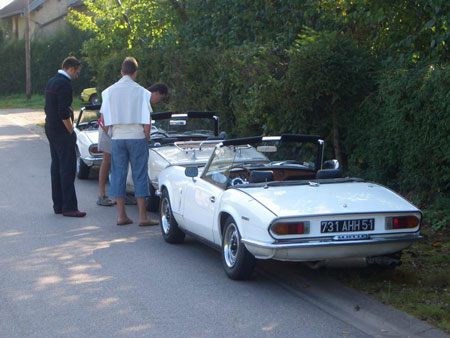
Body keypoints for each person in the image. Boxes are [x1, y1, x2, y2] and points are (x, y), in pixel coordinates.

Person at [100, 57, 167, 226]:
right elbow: (147, 120)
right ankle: (143, 217)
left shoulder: (108, 92)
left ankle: (121, 215)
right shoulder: (143, 92)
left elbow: (104, 120)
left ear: (122, 72)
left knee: (118, 174)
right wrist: (146, 135)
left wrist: (113, 132)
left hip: (117, 138)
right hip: (137, 137)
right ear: (135, 73)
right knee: (139, 174)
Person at [96, 82, 168, 207]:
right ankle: (102, 194)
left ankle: (124, 195)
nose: (158, 101)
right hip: (109, 128)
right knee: (107, 160)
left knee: (124, 162)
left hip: (120, 131)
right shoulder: (140, 94)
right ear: (156, 93)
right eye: (160, 98)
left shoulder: (139, 94)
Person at [44, 56, 86, 217]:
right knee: (67, 168)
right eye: (77, 71)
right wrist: (71, 131)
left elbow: (48, 107)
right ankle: (69, 206)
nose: (77, 75)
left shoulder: (52, 81)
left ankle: (59, 205)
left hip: (50, 128)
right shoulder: (64, 85)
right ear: (70, 68)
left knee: (56, 166)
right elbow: (63, 112)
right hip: (62, 131)